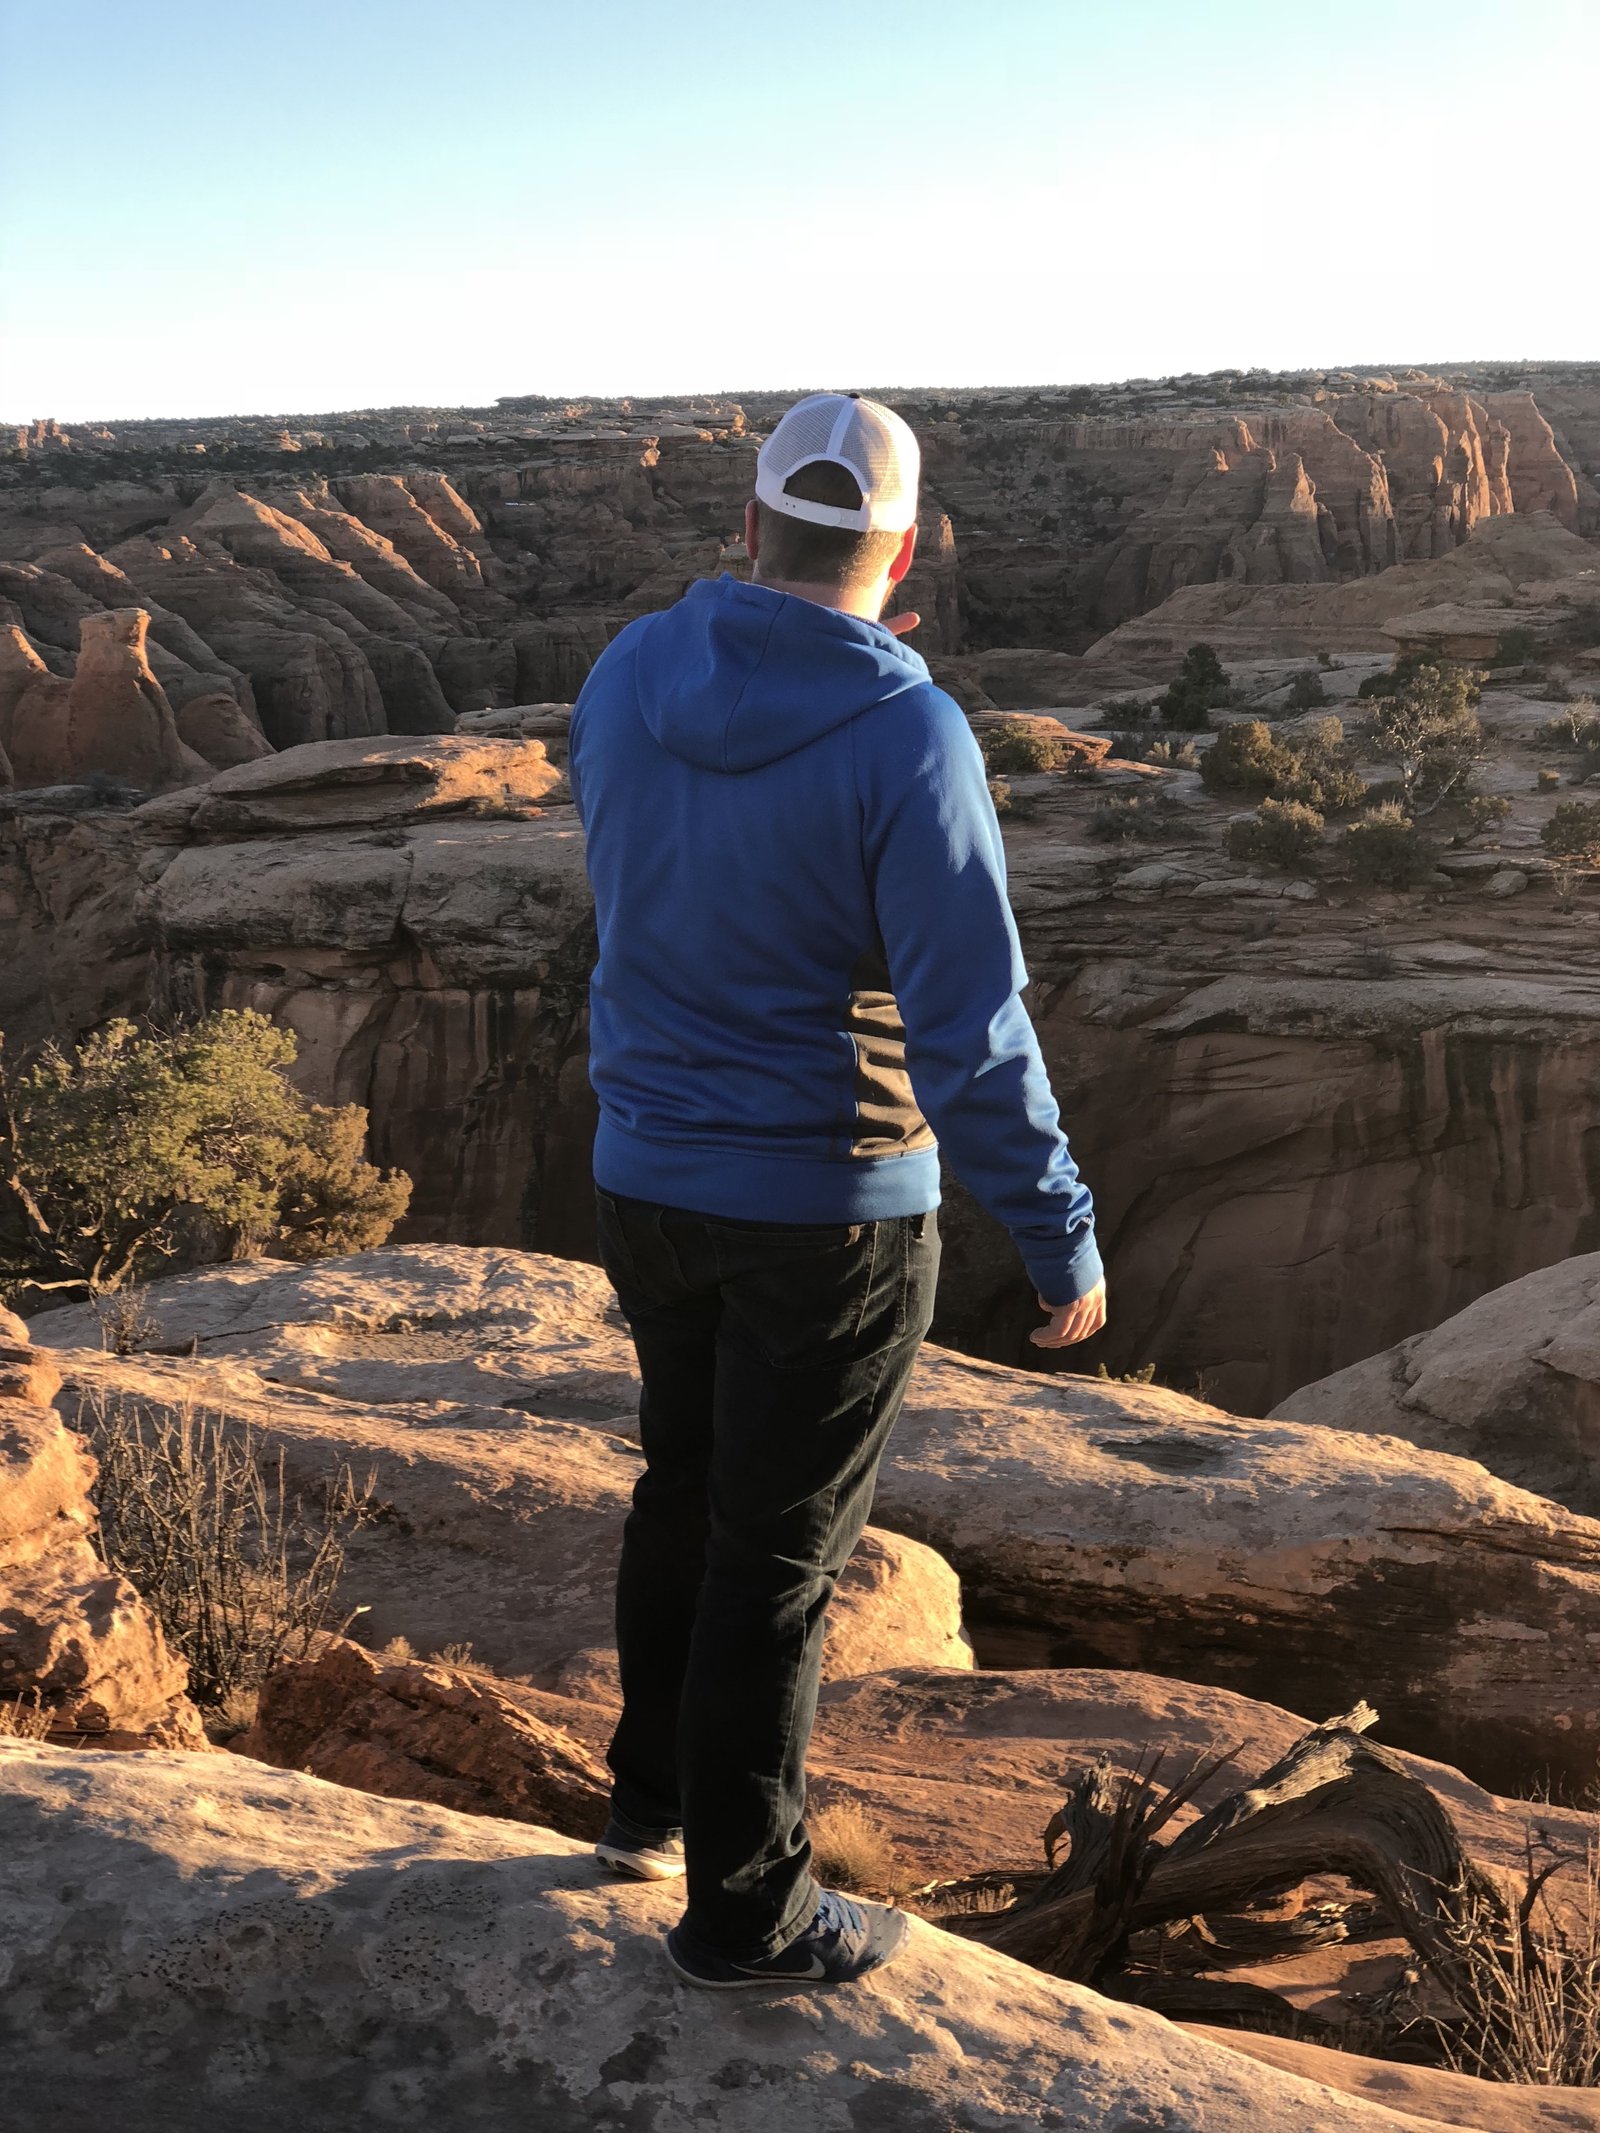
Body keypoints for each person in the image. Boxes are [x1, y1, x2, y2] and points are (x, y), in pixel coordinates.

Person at [566, 391, 1106, 1990]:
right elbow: (971, 1021)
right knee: (777, 1559)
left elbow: (637, 889)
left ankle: (645, 1804)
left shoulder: (624, 673)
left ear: (747, 531)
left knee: (682, 1488)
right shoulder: (905, 729)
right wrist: (1057, 1224)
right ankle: (749, 1910)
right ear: (904, 547)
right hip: (829, 1203)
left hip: (644, 1176)